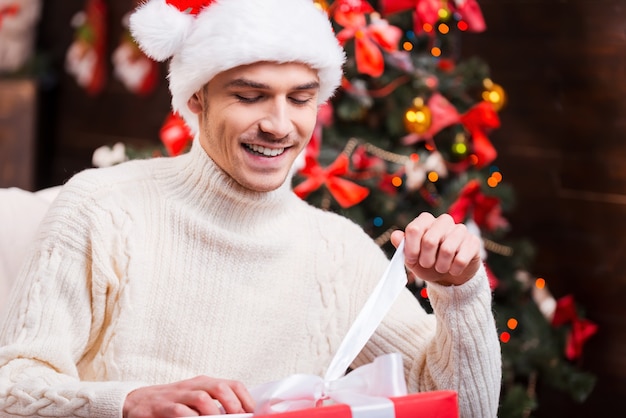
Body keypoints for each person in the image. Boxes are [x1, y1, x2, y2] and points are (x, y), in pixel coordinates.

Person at [0, 0, 502, 417]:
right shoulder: (101, 208)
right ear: (197, 97)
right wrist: (127, 402)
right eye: (250, 96)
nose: (280, 125)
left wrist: (460, 294)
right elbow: (13, 388)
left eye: (300, 99)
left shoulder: (339, 253)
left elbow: (465, 410)